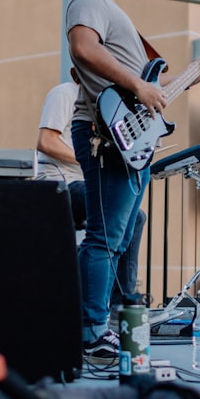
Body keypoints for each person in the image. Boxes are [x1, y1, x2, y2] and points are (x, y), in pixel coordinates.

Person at [65, 0, 200, 363]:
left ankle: (103, 322)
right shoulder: (88, 0)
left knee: (122, 231)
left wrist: (190, 74)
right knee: (105, 236)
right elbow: (82, 48)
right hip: (104, 135)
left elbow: (149, 90)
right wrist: (138, 84)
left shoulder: (111, 9)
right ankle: (91, 333)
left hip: (123, 134)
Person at [35, 66, 147, 313]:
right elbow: (46, 141)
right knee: (127, 215)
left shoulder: (101, 108)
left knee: (135, 216)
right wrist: (90, 160)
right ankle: (116, 305)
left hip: (83, 183)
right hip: (56, 183)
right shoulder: (65, 93)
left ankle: (120, 305)